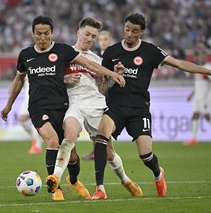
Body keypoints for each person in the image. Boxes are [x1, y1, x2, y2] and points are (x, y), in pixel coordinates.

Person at [85, 12, 211, 200]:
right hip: (116, 107)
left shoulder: (150, 51)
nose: (129, 34)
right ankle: (100, 189)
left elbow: (179, 63)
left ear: (142, 33)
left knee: (145, 155)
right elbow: (102, 89)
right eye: (127, 29)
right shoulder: (111, 52)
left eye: (134, 31)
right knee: (101, 138)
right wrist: (114, 77)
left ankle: (158, 174)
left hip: (139, 109)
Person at [0, 15, 125, 201]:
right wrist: (8, 104)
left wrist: (111, 74)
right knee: (52, 141)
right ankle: (55, 187)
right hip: (38, 108)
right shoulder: (26, 55)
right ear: (33, 34)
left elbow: (89, 64)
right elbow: (19, 80)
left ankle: (74, 180)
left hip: (62, 107)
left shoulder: (62, 51)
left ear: (52, 33)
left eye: (46, 33)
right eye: (39, 34)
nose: (43, 37)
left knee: (72, 156)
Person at [46, 17, 142, 199]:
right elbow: (50, 79)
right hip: (74, 104)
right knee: (70, 135)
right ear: (78, 32)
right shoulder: (65, 54)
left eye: (93, 36)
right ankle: (55, 178)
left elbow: (103, 89)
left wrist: (114, 78)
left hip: (97, 106)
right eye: (87, 34)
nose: (89, 39)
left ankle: (125, 180)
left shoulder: (98, 59)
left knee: (108, 152)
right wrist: (64, 79)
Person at [82, 30, 113, 161]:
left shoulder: (112, 57)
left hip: (108, 96)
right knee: (94, 129)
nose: (103, 42)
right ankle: (98, 151)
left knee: (103, 128)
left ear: (110, 40)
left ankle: (109, 152)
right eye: (101, 39)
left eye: (105, 39)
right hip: (96, 95)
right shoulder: (95, 56)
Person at [183, 49, 211, 146]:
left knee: (207, 116)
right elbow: (198, 84)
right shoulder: (199, 68)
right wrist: (191, 95)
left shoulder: (208, 68)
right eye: (200, 57)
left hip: (205, 97)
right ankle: (193, 139)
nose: (200, 58)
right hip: (197, 97)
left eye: (203, 57)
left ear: (206, 58)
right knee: (195, 115)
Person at [19, 75, 43, 154]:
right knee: (22, 120)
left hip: (35, 96)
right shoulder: (25, 65)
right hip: (27, 97)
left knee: (35, 121)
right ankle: (35, 139)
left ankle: (37, 146)